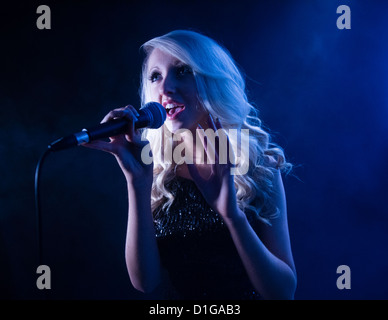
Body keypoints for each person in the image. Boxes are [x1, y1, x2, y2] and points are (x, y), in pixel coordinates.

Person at [84, 30, 297, 300]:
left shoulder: (259, 168)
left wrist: (232, 216)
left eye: (183, 71)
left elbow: (284, 292)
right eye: (155, 76)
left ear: (212, 79)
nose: (165, 88)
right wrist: (137, 184)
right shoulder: (156, 173)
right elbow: (145, 283)